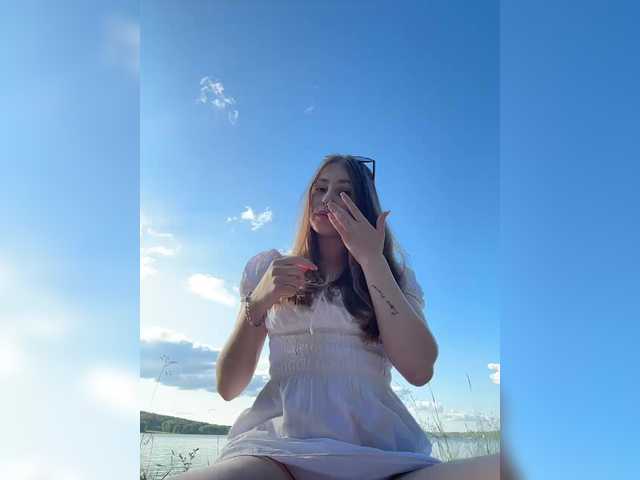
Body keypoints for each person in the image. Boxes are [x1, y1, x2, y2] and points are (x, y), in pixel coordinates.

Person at [173, 155, 500, 479]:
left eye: (343, 191)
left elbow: (419, 369)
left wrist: (372, 260)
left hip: (379, 457)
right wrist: (257, 302)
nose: (327, 198)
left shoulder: (393, 276)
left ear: (363, 206)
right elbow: (228, 387)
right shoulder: (268, 269)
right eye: (320, 188)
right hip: (278, 452)